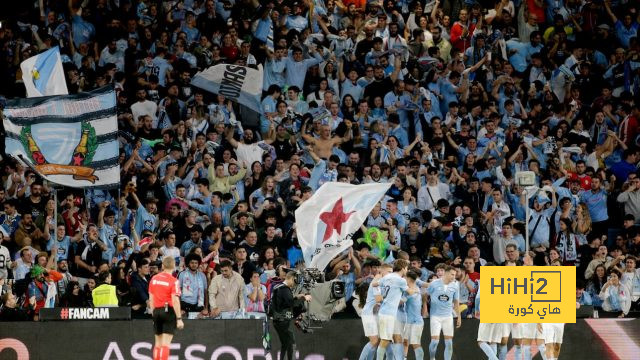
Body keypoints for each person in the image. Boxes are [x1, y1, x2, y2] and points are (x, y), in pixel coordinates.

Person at [270, 269, 312, 360]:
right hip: (282, 321)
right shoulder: (284, 289)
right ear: (292, 278)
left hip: (279, 321)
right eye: (295, 281)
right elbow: (292, 304)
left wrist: (297, 296)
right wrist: (304, 298)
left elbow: (284, 301)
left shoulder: (278, 287)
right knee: (290, 343)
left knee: (286, 343)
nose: (295, 284)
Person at [149, 256, 184, 360]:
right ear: (174, 266)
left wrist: (153, 314)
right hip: (168, 311)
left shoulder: (154, 279)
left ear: (163, 266)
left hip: (156, 311)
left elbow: (151, 298)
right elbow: (175, 300)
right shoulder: (174, 281)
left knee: (158, 344)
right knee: (165, 344)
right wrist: (179, 319)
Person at [426, 264, 461, 360]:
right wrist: (425, 308)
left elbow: (456, 302)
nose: (454, 277)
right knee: (434, 342)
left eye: (455, 275)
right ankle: (432, 358)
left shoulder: (455, 286)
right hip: (435, 317)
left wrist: (459, 317)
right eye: (452, 274)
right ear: (445, 273)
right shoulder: (434, 283)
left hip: (448, 317)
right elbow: (425, 295)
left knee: (449, 343)